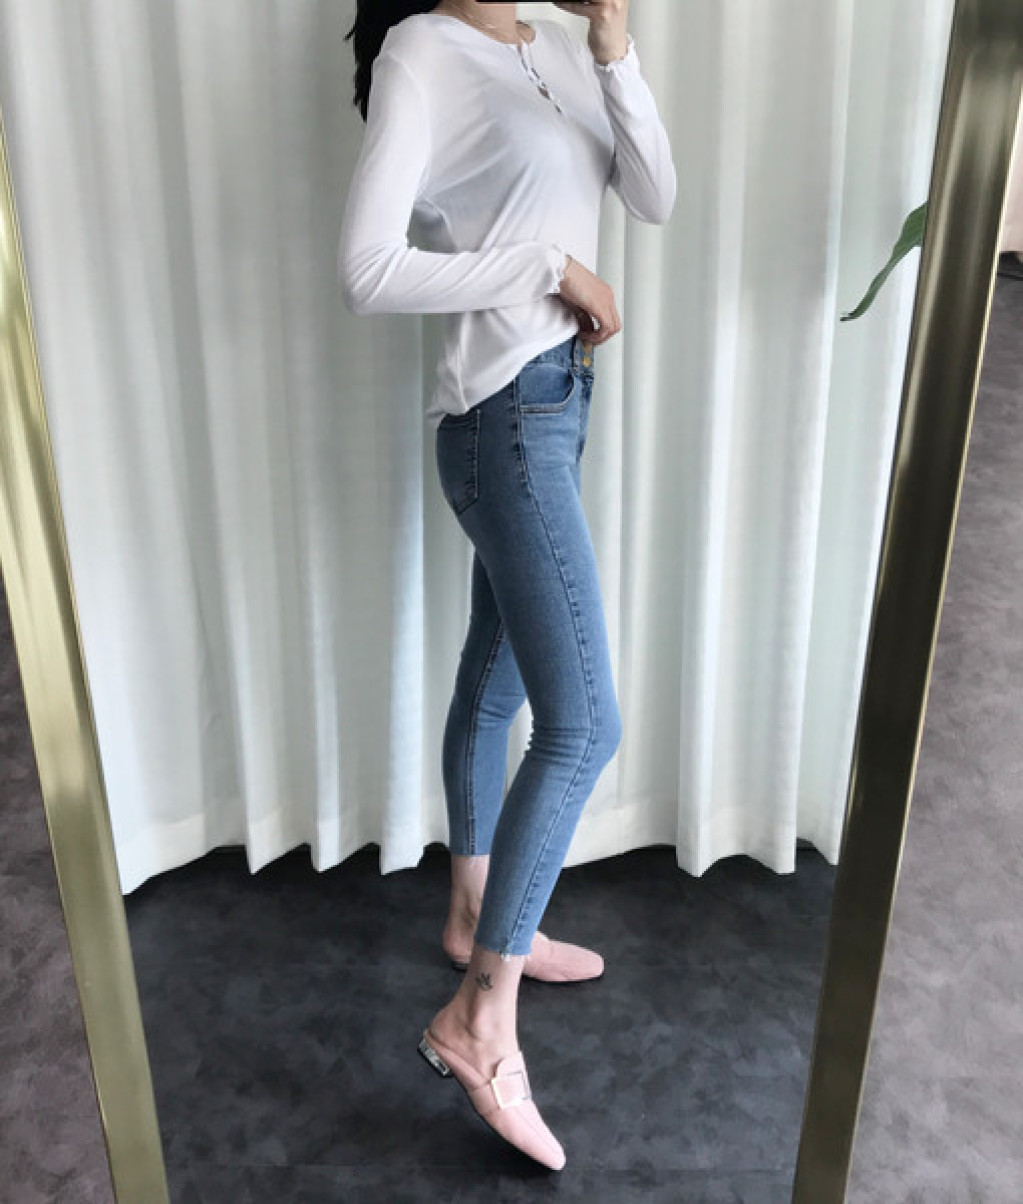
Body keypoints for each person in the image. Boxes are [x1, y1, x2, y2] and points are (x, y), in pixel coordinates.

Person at [338, 0, 675, 1170]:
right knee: (584, 724)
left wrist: (614, 43)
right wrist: (546, 265)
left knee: (496, 681)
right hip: (505, 421)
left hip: (557, 405)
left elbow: (654, 194)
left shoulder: (560, 50)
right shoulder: (422, 51)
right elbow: (367, 269)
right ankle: (480, 1017)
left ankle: (473, 913)